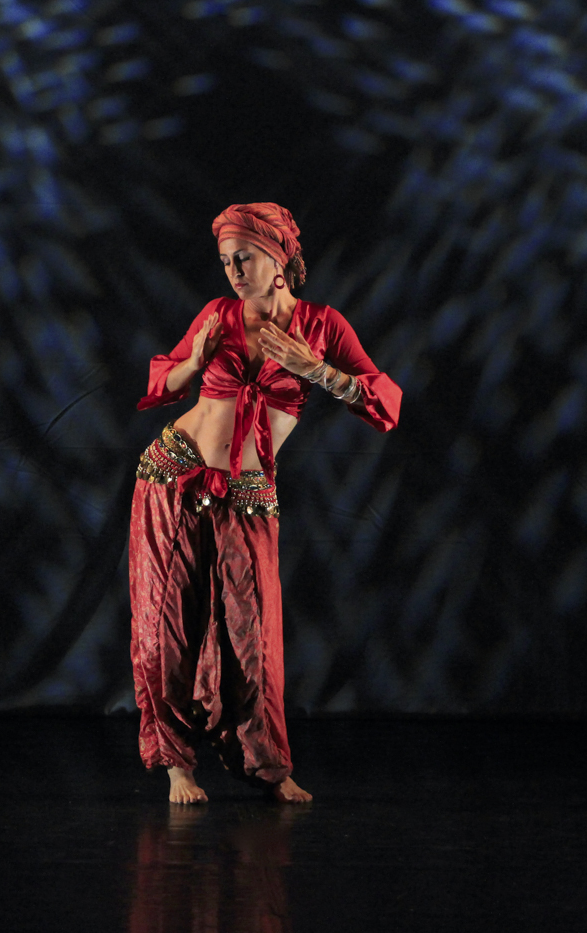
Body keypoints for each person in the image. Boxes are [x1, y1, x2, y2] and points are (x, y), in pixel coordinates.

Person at [129, 202, 402, 804]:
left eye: (244, 258)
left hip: (248, 496)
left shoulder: (323, 326)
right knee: (166, 629)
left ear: (278, 260)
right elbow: (161, 382)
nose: (233, 271)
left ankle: (268, 767)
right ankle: (176, 767)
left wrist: (317, 370)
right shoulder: (218, 315)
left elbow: (385, 403)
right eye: (226, 261)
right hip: (175, 478)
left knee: (252, 638)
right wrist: (194, 362)